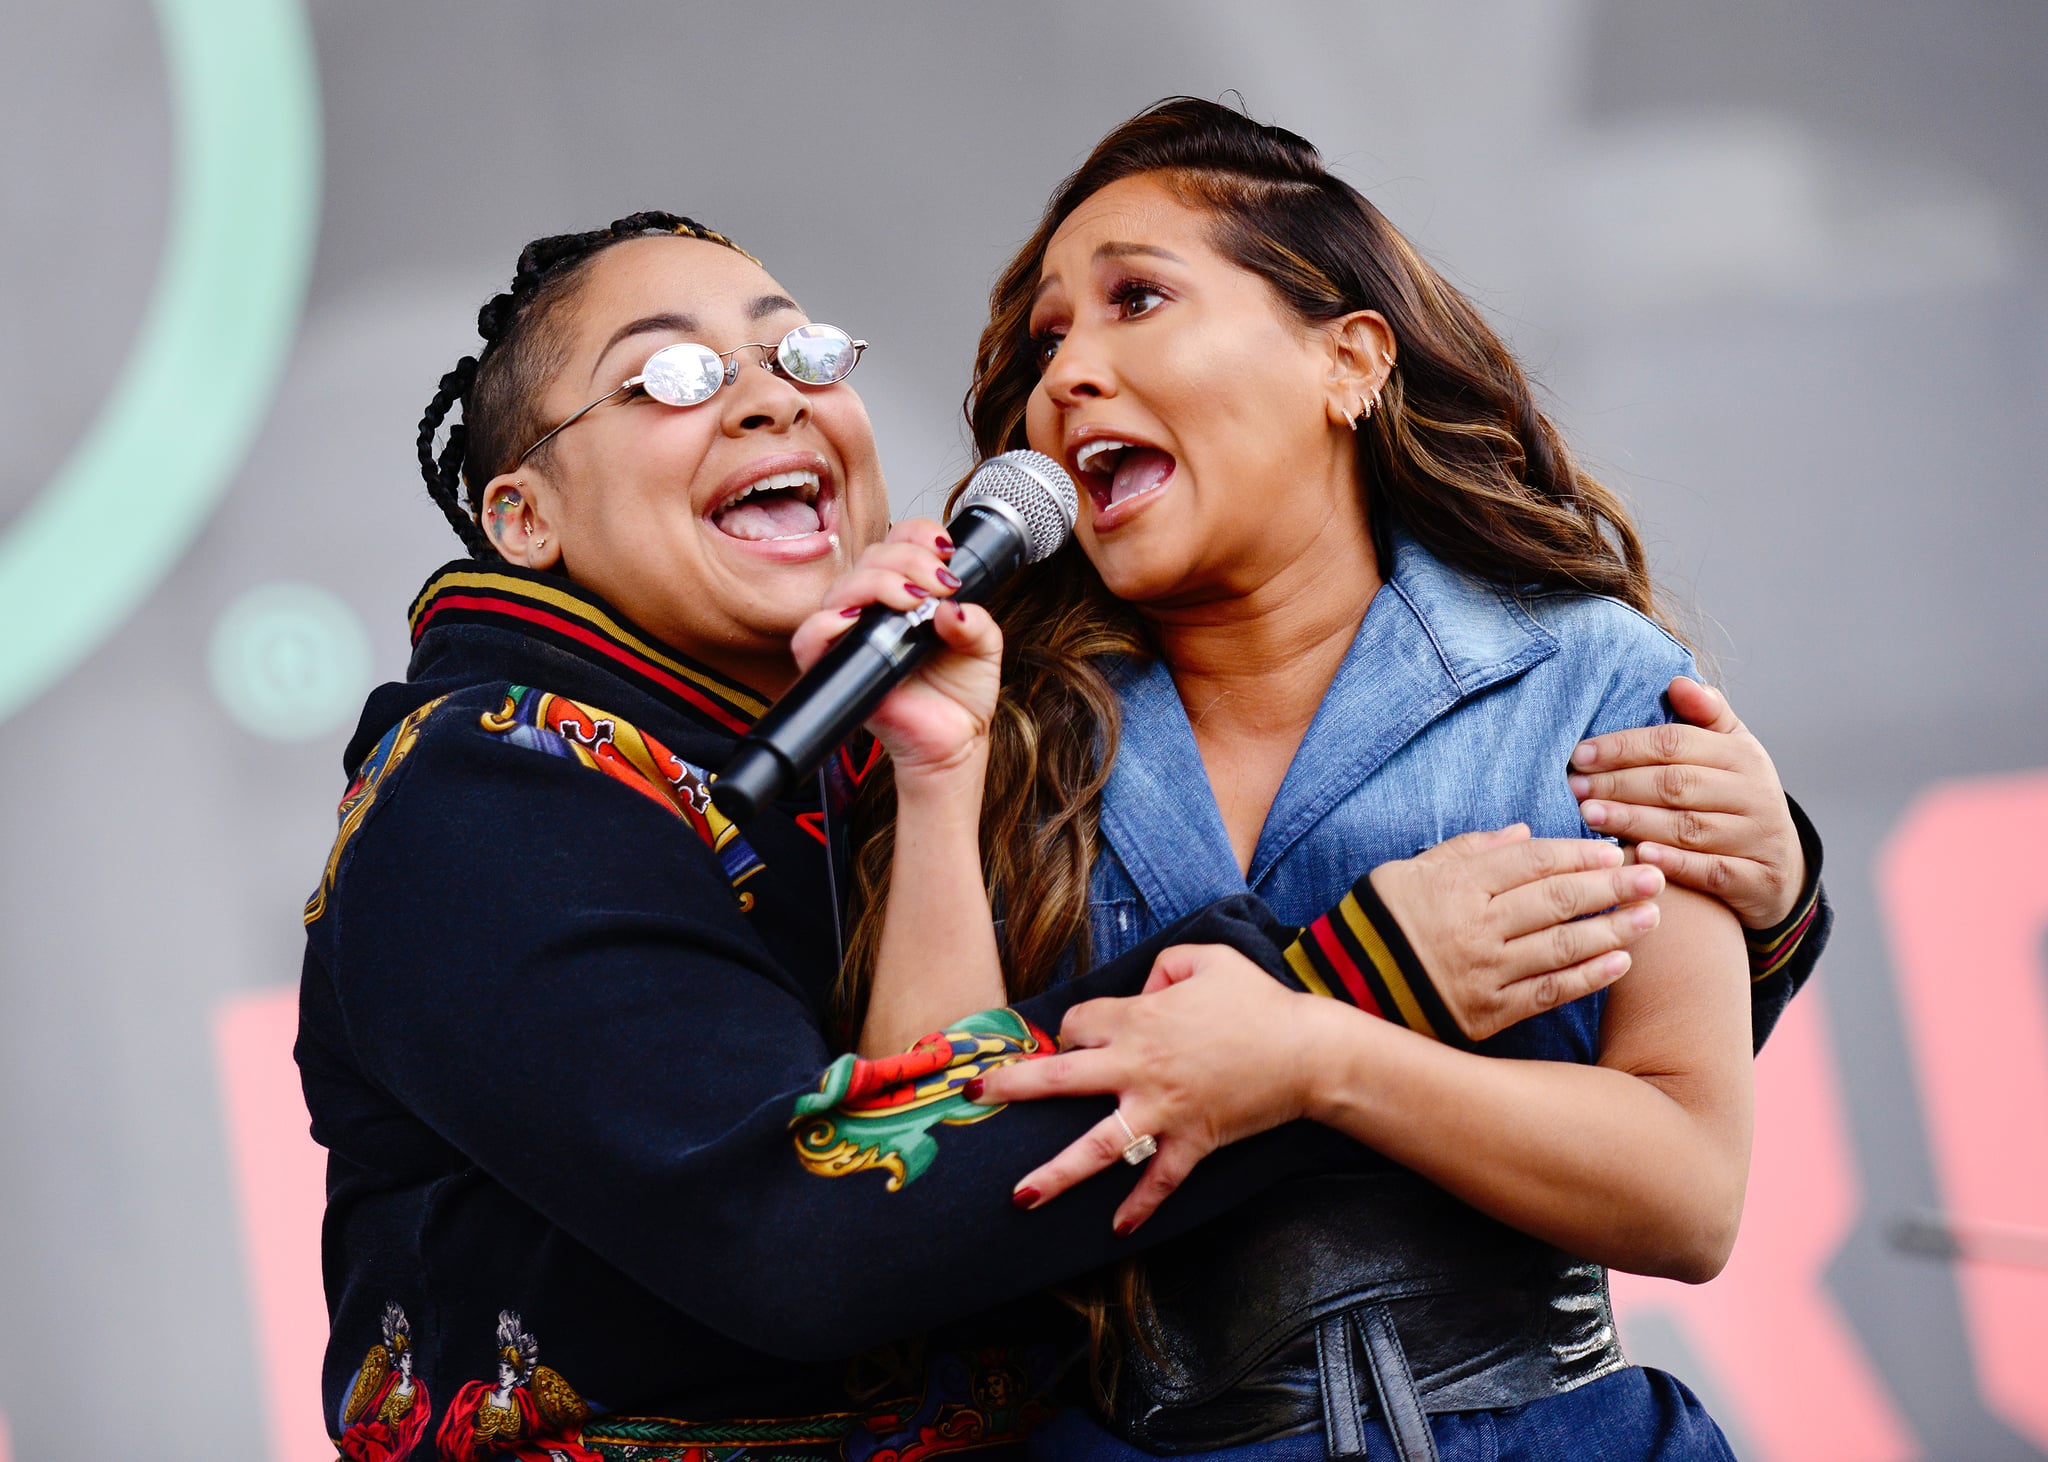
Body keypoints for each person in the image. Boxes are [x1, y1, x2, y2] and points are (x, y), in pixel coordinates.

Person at [300, 207, 1821, 1462]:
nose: (769, 396)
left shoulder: (928, 736)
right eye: (675, 377)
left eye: (799, 351)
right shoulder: (487, 796)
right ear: (523, 518)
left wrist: (1760, 894)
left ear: (1351, 359)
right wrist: (1335, 995)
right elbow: (813, 1222)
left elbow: (1592, 1080)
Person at [865, 98, 1834, 1459]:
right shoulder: (1013, 728)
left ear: (1350, 359)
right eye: (1047, 340)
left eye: (1137, 296)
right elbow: (921, 1180)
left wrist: (1320, 1055)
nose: (1070, 371)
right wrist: (934, 773)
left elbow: (1687, 1189)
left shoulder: (1587, 679)